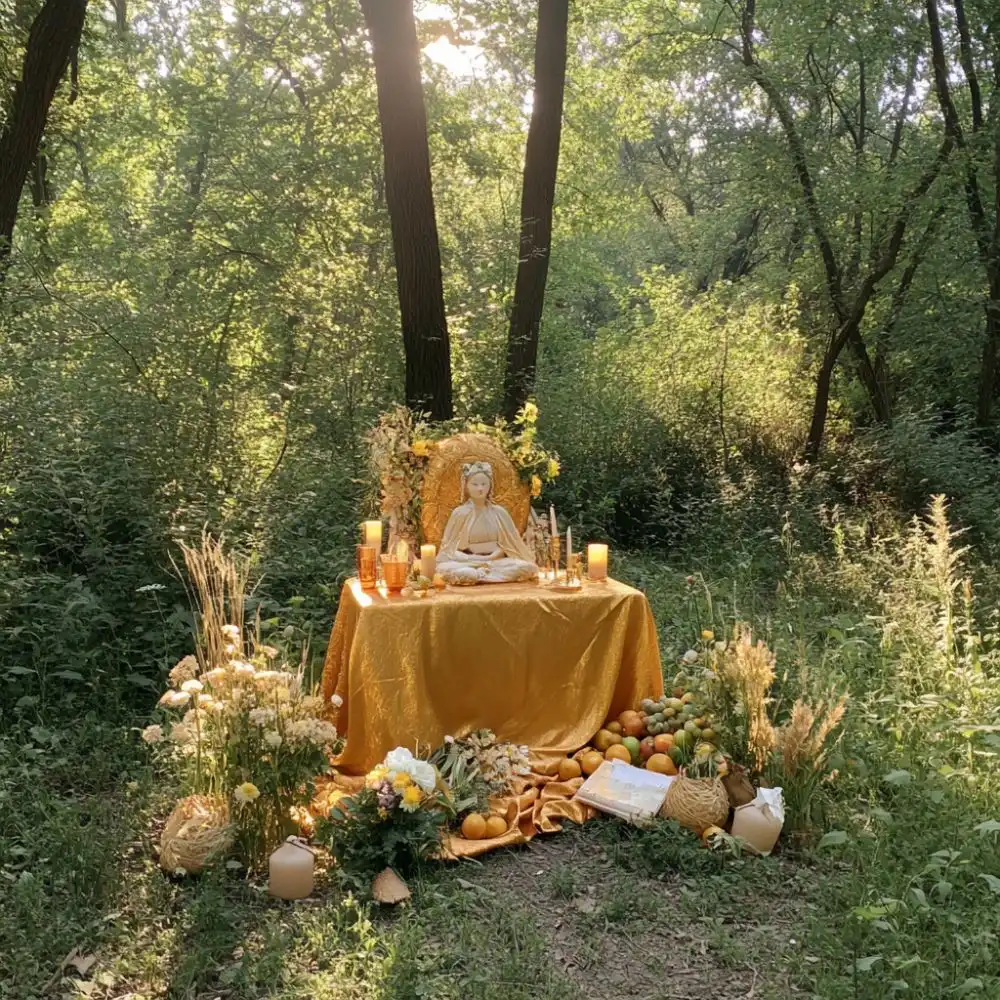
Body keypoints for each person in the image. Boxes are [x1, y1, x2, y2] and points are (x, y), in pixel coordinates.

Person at [436, 461, 538, 585]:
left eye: (484, 484)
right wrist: (474, 559)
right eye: (475, 484)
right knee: (447, 569)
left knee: (526, 567)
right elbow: (448, 551)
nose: (480, 488)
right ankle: (478, 575)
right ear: (466, 486)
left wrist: (491, 557)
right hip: (466, 561)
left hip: (496, 562)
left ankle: (479, 576)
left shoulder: (499, 513)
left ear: (490, 486)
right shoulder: (459, 513)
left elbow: (510, 545)